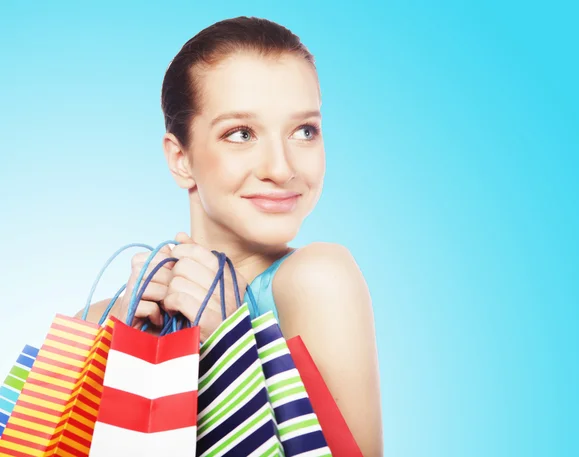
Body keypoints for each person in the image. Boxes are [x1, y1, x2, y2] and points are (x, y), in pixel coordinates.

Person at [80, 16, 383, 456]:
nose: (281, 168)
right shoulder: (105, 318)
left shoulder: (317, 281)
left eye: (305, 131)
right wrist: (116, 350)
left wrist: (234, 342)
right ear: (180, 158)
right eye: (241, 134)